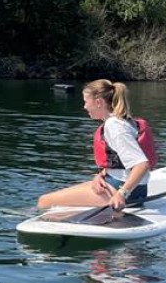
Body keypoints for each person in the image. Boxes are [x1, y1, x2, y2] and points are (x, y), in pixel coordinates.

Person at [37, 79, 151, 211]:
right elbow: (120, 160)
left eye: (86, 101)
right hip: (123, 185)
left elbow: (142, 164)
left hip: (124, 190)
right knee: (52, 198)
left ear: (98, 103)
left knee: (44, 201)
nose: (84, 106)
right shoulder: (123, 121)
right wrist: (102, 174)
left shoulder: (115, 126)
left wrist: (122, 194)